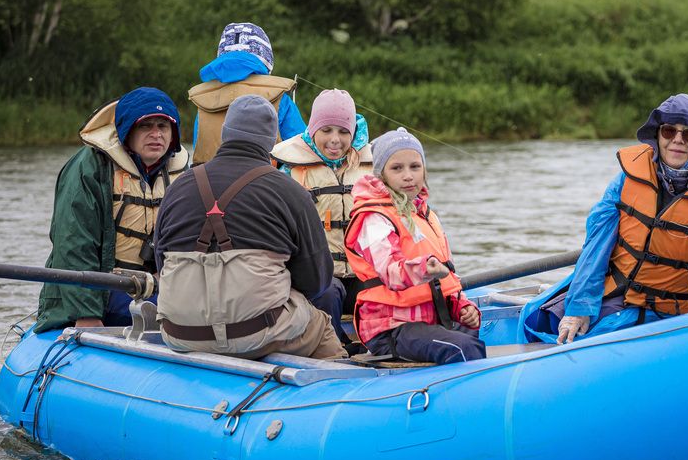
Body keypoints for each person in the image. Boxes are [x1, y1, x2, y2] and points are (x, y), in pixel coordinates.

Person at [520, 94, 688, 344]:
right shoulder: (628, 178)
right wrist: (580, 308)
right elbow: (596, 249)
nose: (676, 140)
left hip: (676, 312)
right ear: (657, 134)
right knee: (538, 322)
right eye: (669, 130)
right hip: (620, 295)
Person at [153, 94, 344, 360]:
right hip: (257, 331)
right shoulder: (290, 191)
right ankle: (340, 391)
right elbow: (317, 281)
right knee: (321, 325)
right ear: (272, 141)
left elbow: (161, 265)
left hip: (179, 332)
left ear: (225, 133)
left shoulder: (177, 188)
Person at [35, 87, 189, 333]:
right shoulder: (90, 168)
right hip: (103, 290)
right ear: (127, 131)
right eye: (145, 126)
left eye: (163, 126)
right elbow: (74, 244)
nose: (156, 134)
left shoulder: (182, 173)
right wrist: (86, 315)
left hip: (156, 289)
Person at [344, 128, 485, 365]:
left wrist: (462, 307)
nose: (408, 176)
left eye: (415, 167)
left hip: (429, 320)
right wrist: (425, 269)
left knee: (471, 332)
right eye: (397, 168)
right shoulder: (374, 218)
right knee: (464, 348)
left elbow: (449, 278)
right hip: (391, 328)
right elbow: (391, 272)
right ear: (381, 175)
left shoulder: (426, 215)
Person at [271, 88, 373, 347]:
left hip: (360, 272)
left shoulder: (372, 169)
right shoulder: (290, 171)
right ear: (313, 129)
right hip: (319, 276)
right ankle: (334, 346)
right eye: (326, 130)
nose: (335, 140)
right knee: (329, 292)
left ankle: (378, 343)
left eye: (343, 131)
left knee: (379, 289)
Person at [188, 22, 306, 165]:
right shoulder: (280, 99)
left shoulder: (204, 102)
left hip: (210, 184)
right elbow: (302, 152)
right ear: (266, 57)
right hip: (267, 185)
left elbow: (198, 148)